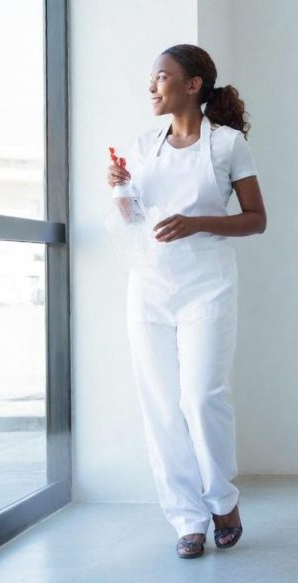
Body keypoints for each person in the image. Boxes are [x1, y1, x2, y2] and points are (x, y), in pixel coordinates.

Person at [106, 44, 266, 556]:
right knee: (160, 404)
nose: (152, 86)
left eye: (161, 76)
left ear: (192, 84)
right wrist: (120, 188)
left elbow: (256, 219)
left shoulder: (227, 144)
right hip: (149, 288)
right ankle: (186, 518)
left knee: (201, 397)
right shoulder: (143, 145)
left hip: (207, 285)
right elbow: (134, 219)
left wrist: (197, 222)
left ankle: (222, 498)